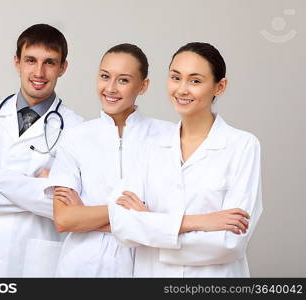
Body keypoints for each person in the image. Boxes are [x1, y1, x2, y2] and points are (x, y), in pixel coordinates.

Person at [108, 42, 263, 277]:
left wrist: (150, 225)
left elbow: (230, 242)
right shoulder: (151, 145)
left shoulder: (242, 146)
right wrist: (197, 222)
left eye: (195, 81)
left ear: (219, 87)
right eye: (175, 77)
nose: (181, 89)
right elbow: (122, 225)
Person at [0, 24, 83, 277]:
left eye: (49, 62)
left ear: (63, 67)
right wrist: (35, 189)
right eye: (30, 60)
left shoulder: (77, 130)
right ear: (17, 62)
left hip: (36, 264)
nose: (39, 72)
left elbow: (67, 208)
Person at [44, 43, 176, 277]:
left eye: (123, 80)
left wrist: (86, 214)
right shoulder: (76, 138)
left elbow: (173, 219)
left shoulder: (168, 136)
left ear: (143, 85)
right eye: (105, 76)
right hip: (83, 266)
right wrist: (139, 218)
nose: (111, 88)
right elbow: (64, 219)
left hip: (146, 265)